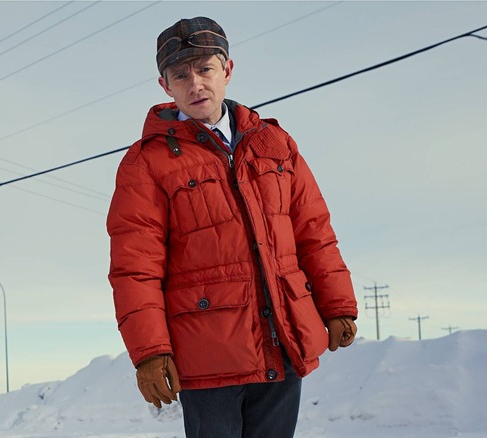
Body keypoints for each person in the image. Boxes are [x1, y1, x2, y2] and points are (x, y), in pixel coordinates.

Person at [106, 16, 358, 438]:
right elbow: (135, 266)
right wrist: (149, 351)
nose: (195, 83)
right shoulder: (146, 162)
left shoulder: (275, 145)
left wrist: (337, 305)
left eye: (205, 69)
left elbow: (313, 232)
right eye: (180, 75)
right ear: (165, 86)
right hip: (207, 356)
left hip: (282, 339)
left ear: (227, 70)